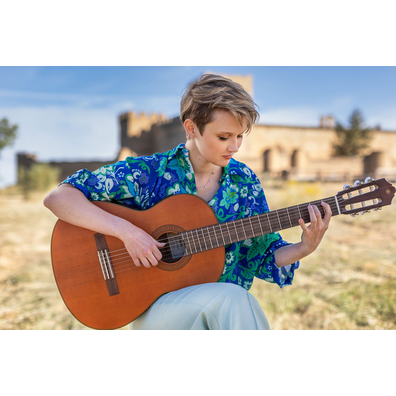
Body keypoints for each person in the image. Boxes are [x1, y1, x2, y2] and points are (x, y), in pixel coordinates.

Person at [44, 74, 332, 330]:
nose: (234, 146)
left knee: (230, 300)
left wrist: (304, 248)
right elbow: (59, 197)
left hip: (217, 313)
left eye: (240, 136)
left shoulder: (244, 182)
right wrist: (127, 232)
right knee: (233, 299)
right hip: (155, 311)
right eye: (223, 136)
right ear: (191, 128)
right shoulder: (149, 173)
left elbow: (261, 255)